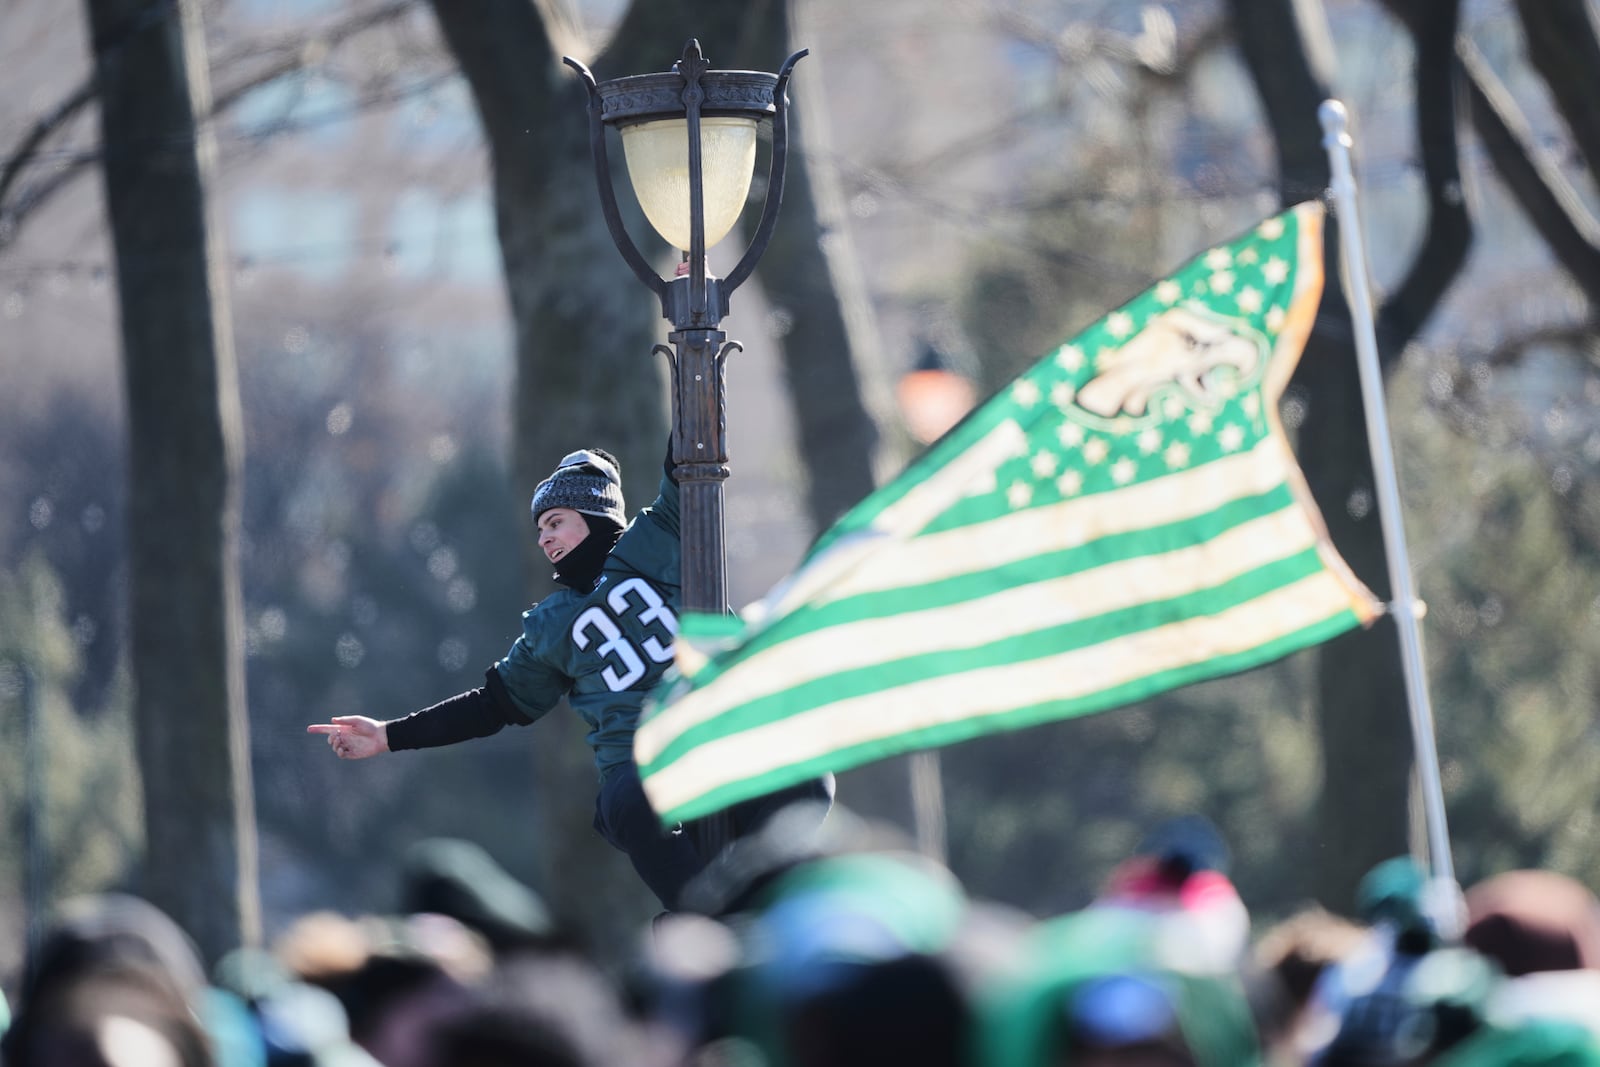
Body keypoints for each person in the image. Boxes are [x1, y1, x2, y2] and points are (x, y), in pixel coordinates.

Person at [308, 447, 831, 911]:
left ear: (593, 514)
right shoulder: (548, 626)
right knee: (625, 802)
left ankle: (768, 892)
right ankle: (706, 920)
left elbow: (689, 456)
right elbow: (491, 706)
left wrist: (695, 363)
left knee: (810, 777)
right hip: (647, 767)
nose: (545, 538)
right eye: (539, 530)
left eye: (555, 522)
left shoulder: (659, 536)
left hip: (723, 732)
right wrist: (390, 735)